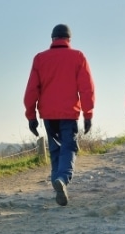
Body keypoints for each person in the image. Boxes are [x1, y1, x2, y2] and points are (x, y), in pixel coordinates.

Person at [24, 24, 95, 206]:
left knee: (55, 149)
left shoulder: (40, 59)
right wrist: (88, 114)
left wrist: (31, 116)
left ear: (52, 38)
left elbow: (32, 89)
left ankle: (58, 183)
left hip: (48, 113)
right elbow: (87, 89)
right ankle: (62, 179)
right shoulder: (78, 57)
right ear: (69, 39)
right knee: (69, 147)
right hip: (69, 112)